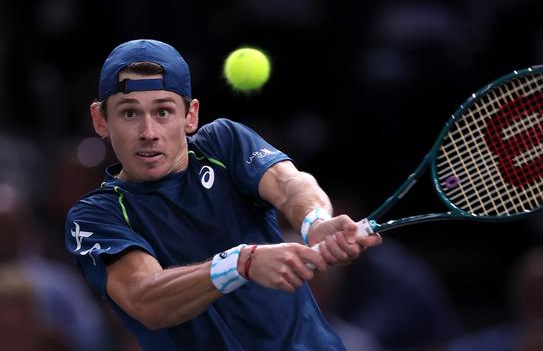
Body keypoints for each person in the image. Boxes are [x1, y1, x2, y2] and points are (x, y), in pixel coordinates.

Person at [64, 39, 382, 351]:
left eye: (163, 112)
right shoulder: (95, 216)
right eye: (129, 114)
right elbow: (146, 299)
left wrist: (315, 221)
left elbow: (290, 184)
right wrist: (241, 263)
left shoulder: (223, 144)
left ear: (190, 115)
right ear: (100, 120)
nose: (149, 132)